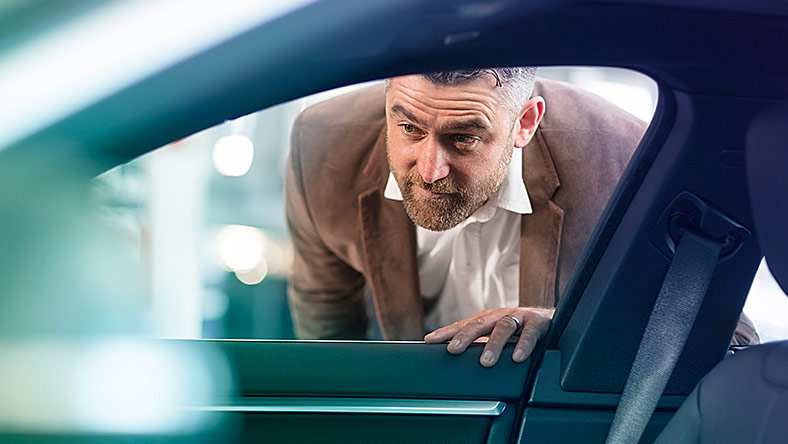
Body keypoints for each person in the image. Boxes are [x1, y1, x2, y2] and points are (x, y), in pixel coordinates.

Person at [285, 67, 644, 366]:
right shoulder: (321, 148)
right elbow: (328, 325)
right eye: (410, 128)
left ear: (525, 122)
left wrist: (561, 324)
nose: (429, 171)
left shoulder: (624, 165)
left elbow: (656, 327)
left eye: (462, 137)